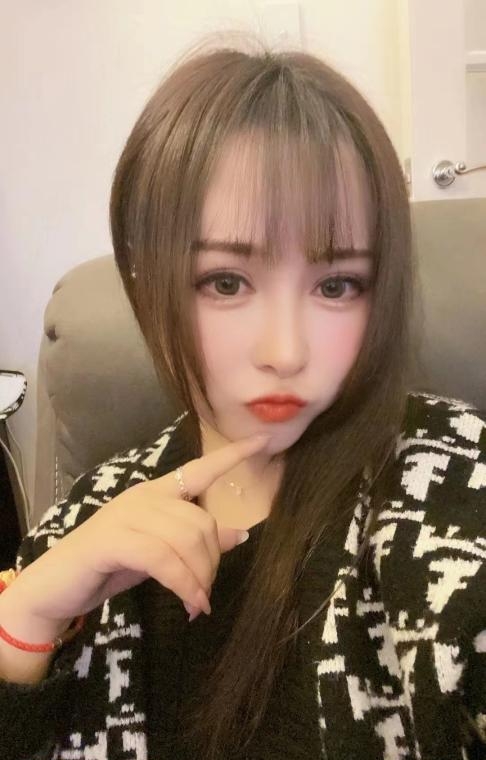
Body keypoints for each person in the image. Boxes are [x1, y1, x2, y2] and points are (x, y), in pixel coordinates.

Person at [0, 33, 485, 760]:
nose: (285, 352)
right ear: (147, 284)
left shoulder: (452, 480)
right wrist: (28, 621)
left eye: (336, 285)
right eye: (226, 283)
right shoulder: (87, 515)